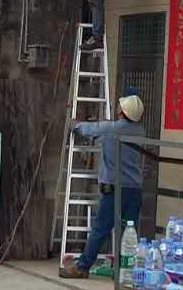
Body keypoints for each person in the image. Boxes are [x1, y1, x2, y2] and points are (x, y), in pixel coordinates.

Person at [60, 94, 145, 278]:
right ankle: (124, 271)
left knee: (100, 230)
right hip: (134, 189)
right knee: (128, 232)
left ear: (122, 112)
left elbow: (87, 129)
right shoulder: (140, 131)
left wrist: (73, 123)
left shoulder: (110, 129)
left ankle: (82, 267)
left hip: (114, 189)